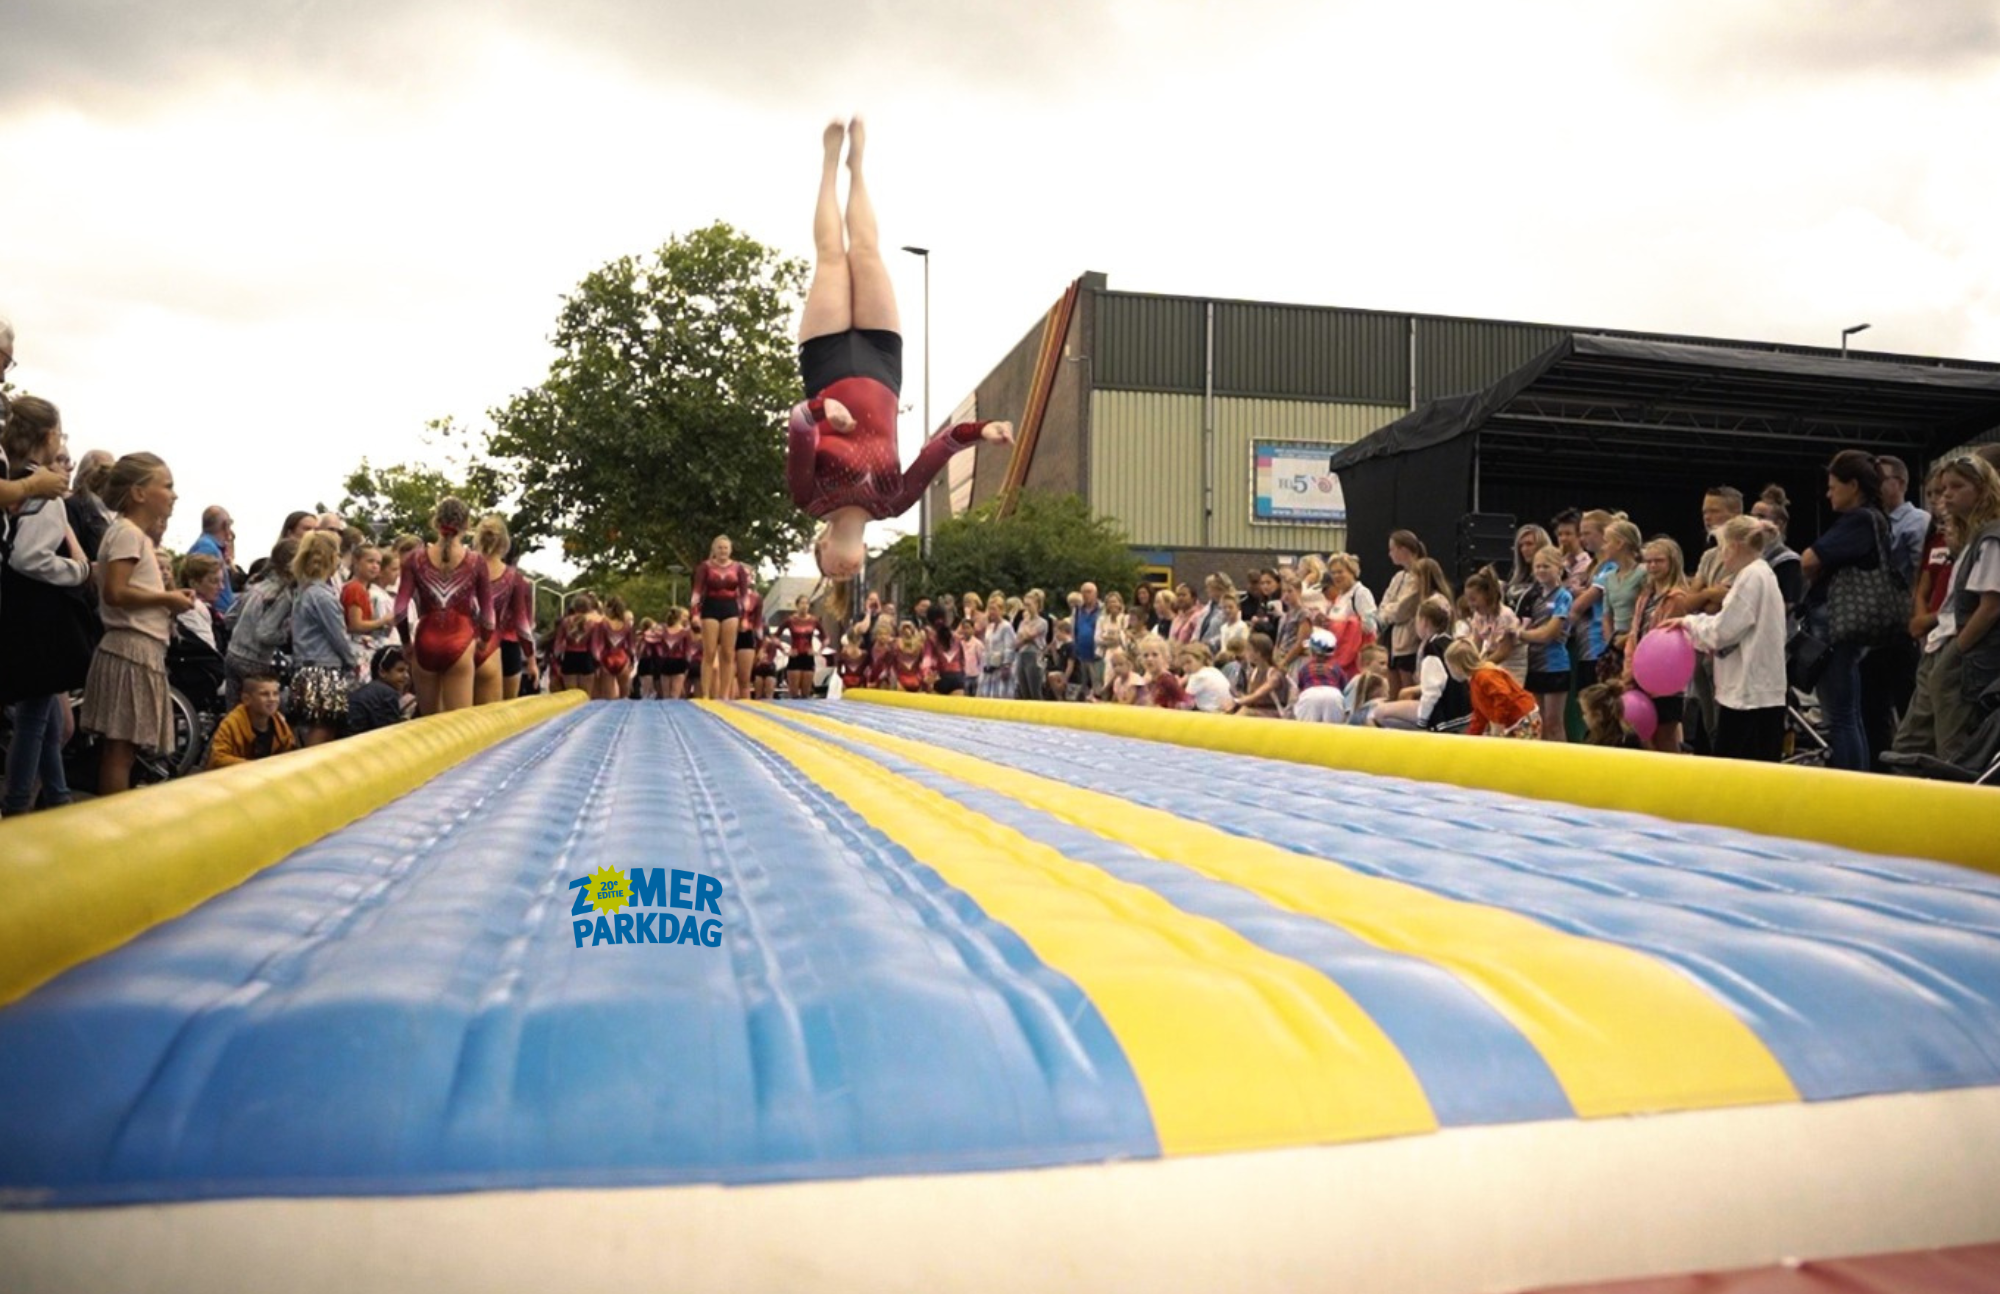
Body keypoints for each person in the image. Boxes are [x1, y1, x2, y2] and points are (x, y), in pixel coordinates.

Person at [787, 118, 1012, 597]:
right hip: (883, 366)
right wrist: (982, 430)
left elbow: (799, 422)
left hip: (826, 366)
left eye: (829, 572)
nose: (839, 574)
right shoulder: (894, 502)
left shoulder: (809, 498)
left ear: (821, 549)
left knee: (831, 256)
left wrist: (827, 409)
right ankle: (859, 164)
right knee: (866, 252)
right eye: (845, 577)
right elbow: (941, 447)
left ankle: (830, 165)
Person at [81, 453, 196, 794]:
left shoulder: (132, 536)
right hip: (131, 649)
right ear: (139, 493)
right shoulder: (128, 534)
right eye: (168, 486)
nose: (174, 495)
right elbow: (116, 591)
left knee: (124, 749)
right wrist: (166, 600)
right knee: (121, 750)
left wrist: (169, 599)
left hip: (138, 647)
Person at [1, 397, 92, 816]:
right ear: (50, 436)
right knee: (35, 718)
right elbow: (28, 556)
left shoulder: (17, 481)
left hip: (21, 609)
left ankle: (57, 797)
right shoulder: (46, 492)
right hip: (36, 615)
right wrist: (76, 571)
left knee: (49, 719)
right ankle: (17, 804)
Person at [1892, 455, 2000, 761]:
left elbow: (1991, 607)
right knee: (1912, 743)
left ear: (1982, 490)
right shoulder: (1973, 538)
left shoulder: (1992, 538)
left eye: (1956, 486)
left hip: (1961, 652)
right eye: (1942, 489)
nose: (1946, 495)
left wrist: (1957, 651)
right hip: (1943, 645)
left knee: (1953, 746)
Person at [1657, 516, 1788, 762]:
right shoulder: (1762, 574)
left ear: (1735, 546)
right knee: (1759, 763)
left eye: (1722, 548)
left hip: (1748, 692)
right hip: (1758, 687)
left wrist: (1688, 623)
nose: (1721, 556)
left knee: (1735, 763)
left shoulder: (1751, 577)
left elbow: (1724, 631)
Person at [1799, 450, 1894, 771]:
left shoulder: (1858, 521)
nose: (1828, 494)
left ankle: (1849, 779)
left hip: (1835, 627)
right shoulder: (1877, 519)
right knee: (1850, 713)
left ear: (1852, 485)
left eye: (1833, 486)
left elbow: (1809, 560)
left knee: (1839, 715)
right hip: (1853, 629)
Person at [394, 496, 494, 716]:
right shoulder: (476, 561)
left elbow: (400, 610)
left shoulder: (414, 559)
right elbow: (488, 615)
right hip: (461, 638)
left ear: (436, 521)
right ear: (467, 525)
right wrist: (484, 640)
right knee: (458, 723)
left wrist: (406, 643)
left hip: (425, 640)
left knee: (429, 724)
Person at [1621, 537, 1690, 754]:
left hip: (1665, 677)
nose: (1652, 566)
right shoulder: (1645, 596)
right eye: (1648, 561)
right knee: (1645, 737)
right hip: (1640, 673)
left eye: (1658, 561)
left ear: (1672, 562)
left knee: (1665, 735)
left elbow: (1665, 641)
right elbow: (1634, 634)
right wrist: (1629, 670)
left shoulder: (1677, 598)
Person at [287, 530, 357, 746]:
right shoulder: (323, 596)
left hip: (305, 666)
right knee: (323, 729)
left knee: (313, 727)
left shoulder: (304, 591)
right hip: (323, 670)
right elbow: (338, 635)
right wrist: (351, 660)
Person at [1516, 545, 1574, 743]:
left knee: (1553, 723)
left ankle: (1563, 765)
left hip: (1555, 665)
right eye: (1537, 566)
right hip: (1534, 663)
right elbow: (1526, 624)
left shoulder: (1563, 596)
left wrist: (1522, 635)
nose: (1540, 570)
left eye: (1546, 566)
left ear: (1559, 568)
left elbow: (1549, 633)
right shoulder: (1534, 597)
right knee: (1538, 722)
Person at [692, 535, 748, 701]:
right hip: (710, 607)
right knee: (709, 652)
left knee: (728, 653)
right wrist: (695, 613)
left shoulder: (738, 568)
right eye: (719, 547)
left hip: (730, 609)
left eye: (725, 548)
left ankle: (724, 694)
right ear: (714, 550)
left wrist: (744, 617)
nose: (723, 551)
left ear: (730, 550)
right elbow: (696, 592)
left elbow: (744, 595)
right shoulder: (705, 567)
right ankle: (706, 693)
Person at [1452, 638, 1542, 739]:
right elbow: (1479, 716)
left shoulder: (1484, 675)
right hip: (1514, 721)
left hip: (1523, 719)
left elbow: (1503, 696)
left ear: (1458, 666)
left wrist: (1498, 722)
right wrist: (1469, 739)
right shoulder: (1475, 682)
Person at [205, 674, 296, 768]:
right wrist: (255, 766)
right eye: (264, 694)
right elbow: (217, 759)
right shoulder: (231, 724)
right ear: (246, 699)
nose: (272, 699)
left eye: (275, 694)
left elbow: (290, 751)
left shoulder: (280, 724)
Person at [346, 646, 413, 735]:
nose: (406, 676)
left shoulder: (371, 690)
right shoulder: (387, 693)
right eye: (400, 670)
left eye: (407, 671)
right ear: (382, 672)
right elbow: (389, 733)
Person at [187, 505, 238, 615]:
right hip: (214, 615)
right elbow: (204, 587)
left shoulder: (208, 546)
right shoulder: (207, 548)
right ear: (225, 525)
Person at [553, 593, 599, 696]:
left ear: (574, 606)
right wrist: (597, 662)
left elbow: (558, 645)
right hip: (586, 658)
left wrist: (556, 660)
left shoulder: (565, 622)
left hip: (569, 658)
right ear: (588, 607)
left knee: (570, 696)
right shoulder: (592, 624)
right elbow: (594, 646)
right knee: (586, 696)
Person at [596, 595, 636, 702]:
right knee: (624, 698)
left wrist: (596, 662)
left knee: (607, 700)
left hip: (607, 659)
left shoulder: (603, 624)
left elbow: (598, 646)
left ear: (608, 608)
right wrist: (631, 662)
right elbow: (631, 647)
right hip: (622, 659)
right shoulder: (627, 625)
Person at [783, 596, 821, 701]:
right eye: (802, 603)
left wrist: (818, 651)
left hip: (808, 656)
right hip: (795, 656)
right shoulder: (791, 620)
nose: (804, 606)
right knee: (794, 694)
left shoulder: (813, 620)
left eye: (807, 603)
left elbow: (826, 637)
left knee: (806, 695)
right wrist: (785, 650)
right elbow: (775, 636)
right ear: (797, 605)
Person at [981, 596, 1018, 699]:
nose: (991, 612)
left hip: (1001, 668)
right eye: (989, 609)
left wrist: (1006, 665)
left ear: (1001, 610)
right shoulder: (989, 627)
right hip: (989, 668)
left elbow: (1009, 647)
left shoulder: (1006, 626)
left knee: (1001, 695)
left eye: (994, 609)